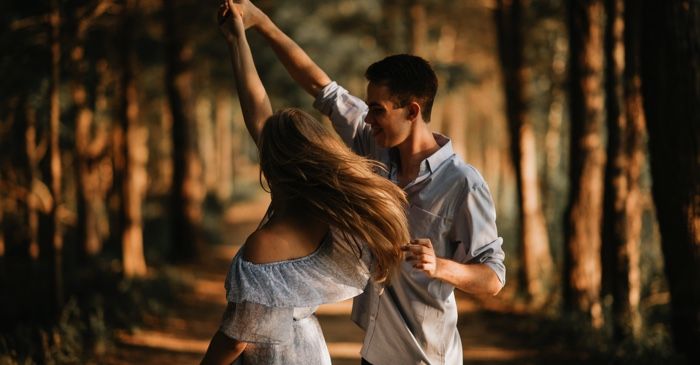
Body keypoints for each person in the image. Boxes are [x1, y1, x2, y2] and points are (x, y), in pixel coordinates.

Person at [228, 1, 507, 364]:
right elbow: (319, 85)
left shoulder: (462, 183)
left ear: (412, 111)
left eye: (377, 109)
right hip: (374, 351)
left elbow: (494, 278)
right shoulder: (373, 144)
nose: (368, 118)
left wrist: (440, 266)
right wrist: (260, 23)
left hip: (425, 355)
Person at [200, 2, 410, 364]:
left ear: (274, 163)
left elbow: (236, 338)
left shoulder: (264, 247)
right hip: (310, 350)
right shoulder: (332, 218)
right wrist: (238, 39)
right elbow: (257, 110)